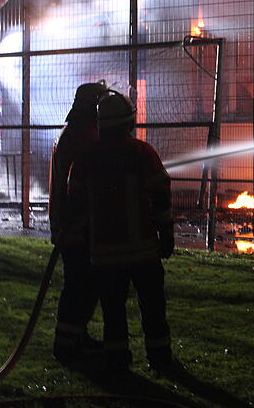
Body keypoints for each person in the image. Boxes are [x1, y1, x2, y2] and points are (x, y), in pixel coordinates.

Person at [69, 91, 176, 371]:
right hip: (143, 250)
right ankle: (160, 358)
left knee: (113, 310)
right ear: (128, 122)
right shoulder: (142, 152)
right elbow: (161, 196)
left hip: (104, 254)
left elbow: (76, 203)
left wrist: (83, 240)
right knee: (152, 306)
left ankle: (116, 360)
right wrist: (166, 234)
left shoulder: (86, 158)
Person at [49, 81, 106, 363]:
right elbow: (82, 186)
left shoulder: (73, 132)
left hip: (71, 224)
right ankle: (67, 344)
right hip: (76, 226)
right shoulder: (83, 136)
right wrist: (81, 223)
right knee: (78, 285)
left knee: (81, 283)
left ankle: (75, 336)